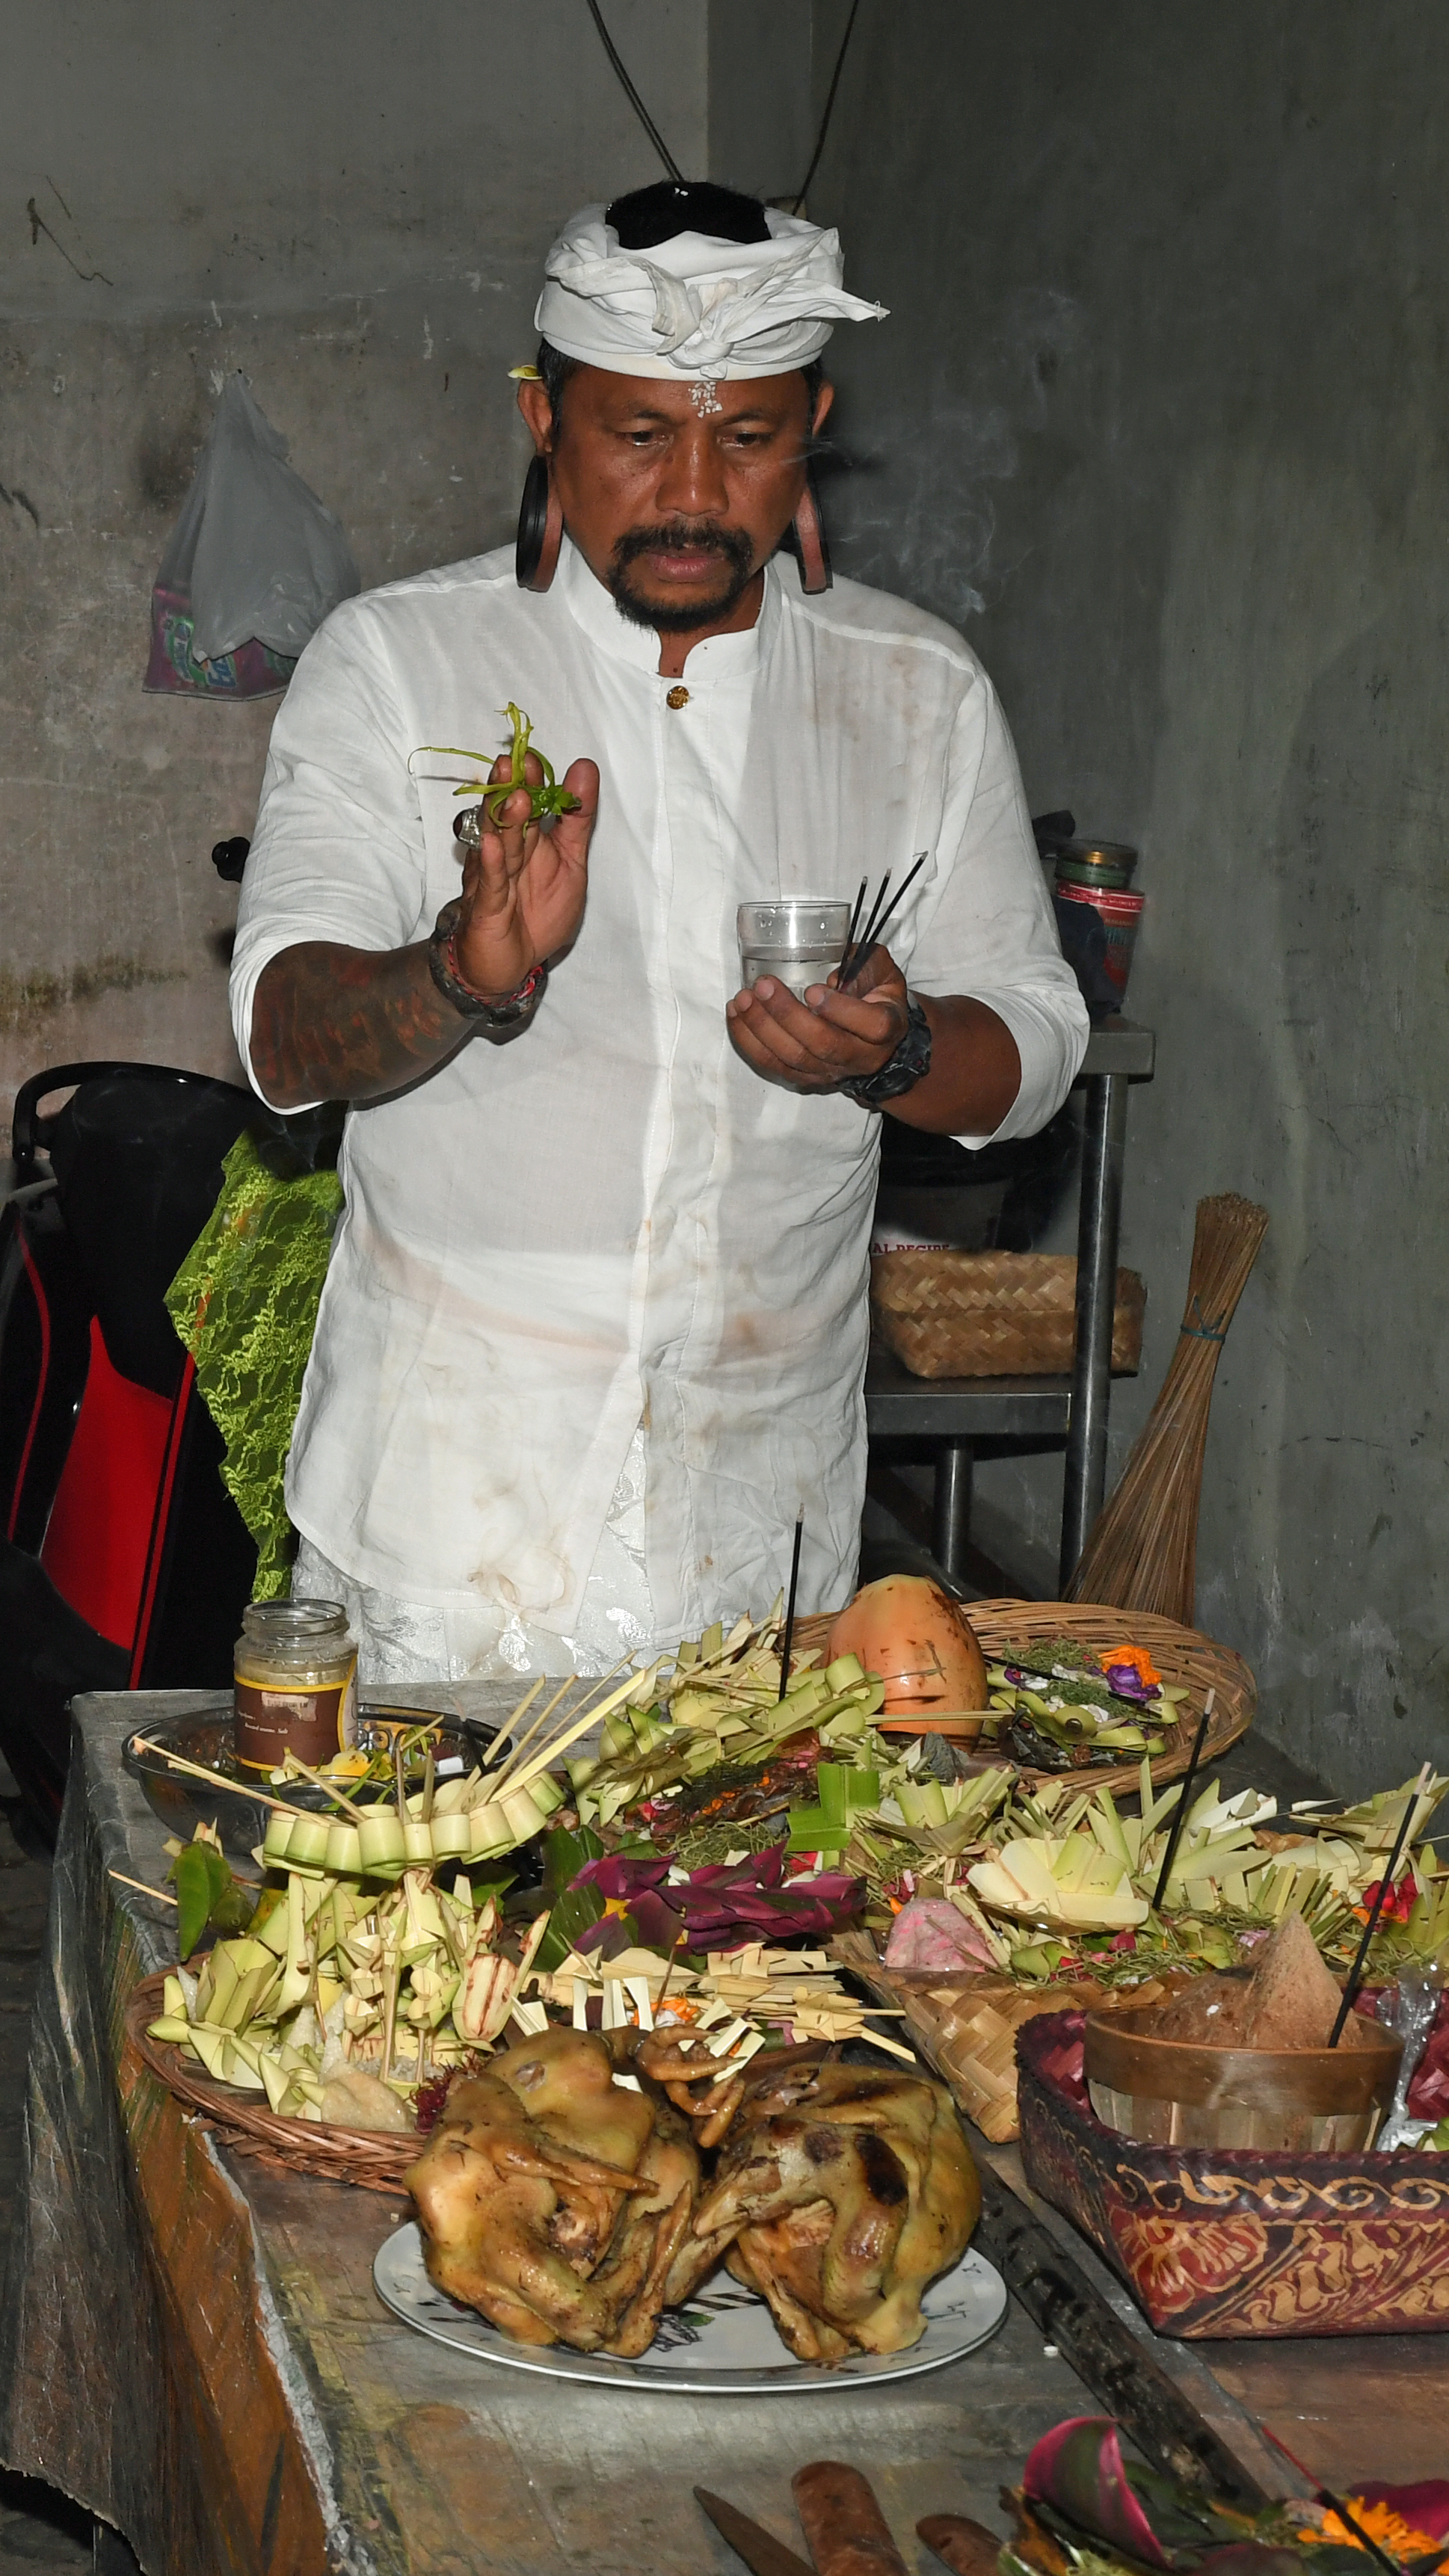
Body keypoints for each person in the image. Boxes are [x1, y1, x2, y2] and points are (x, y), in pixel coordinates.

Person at [231, 182, 1089, 1677]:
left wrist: (900, 1052)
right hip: (448, 1520)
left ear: (813, 420)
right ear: (541, 416)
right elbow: (284, 1034)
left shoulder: (916, 691)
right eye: (639, 435)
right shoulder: (399, 662)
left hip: (760, 1536)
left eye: (748, 436)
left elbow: (1036, 1047)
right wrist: (460, 971)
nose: (694, 491)